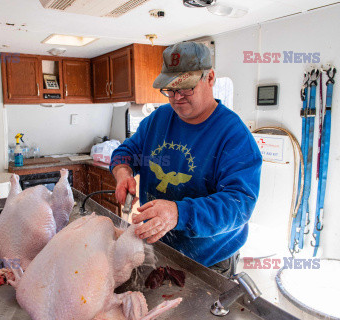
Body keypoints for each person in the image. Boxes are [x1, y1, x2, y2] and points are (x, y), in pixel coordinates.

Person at [110, 41, 262, 277]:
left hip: (208, 261)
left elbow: (238, 206)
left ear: (210, 78)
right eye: (169, 89)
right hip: (157, 248)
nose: (176, 97)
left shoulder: (234, 136)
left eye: (186, 87)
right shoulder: (158, 119)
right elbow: (126, 153)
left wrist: (178, 213)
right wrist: (123, 174)